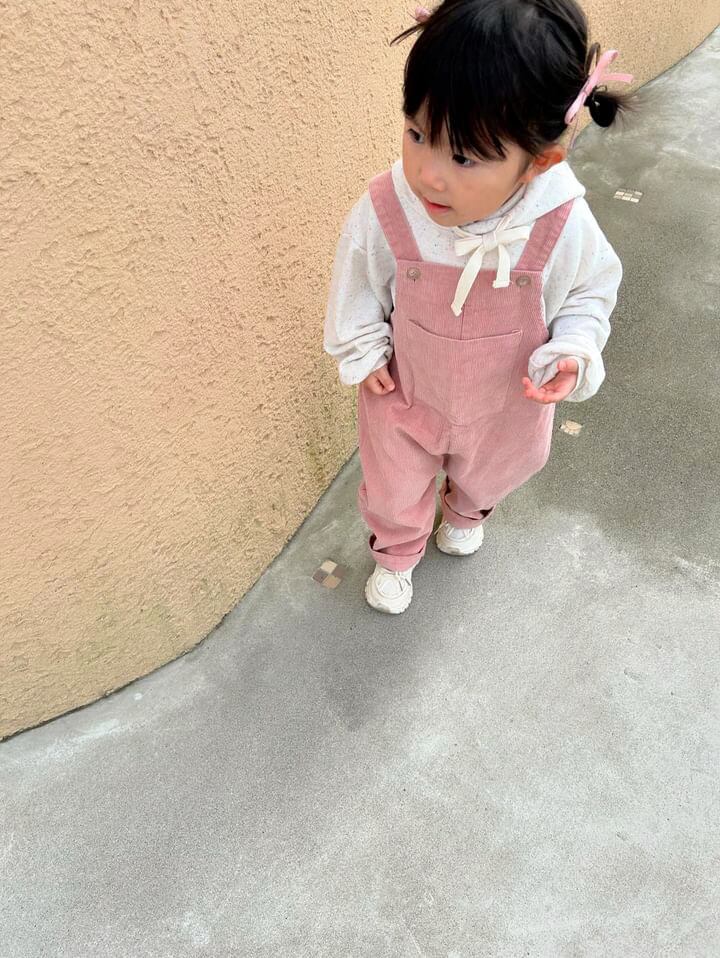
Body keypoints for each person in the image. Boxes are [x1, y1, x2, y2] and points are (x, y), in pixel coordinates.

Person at [323, 0, 633, 614]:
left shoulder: (559, 220)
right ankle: (397, 553)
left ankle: (466, 512)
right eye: (417, 134)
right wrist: (363, 346)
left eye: (463, 157)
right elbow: (357, 277)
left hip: (505, 399)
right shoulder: (390, 204)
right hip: (408, 390)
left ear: (539, 162)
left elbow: (589, 291)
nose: (429, 174)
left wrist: (573, 347)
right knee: (392, 483)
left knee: (497, 466)